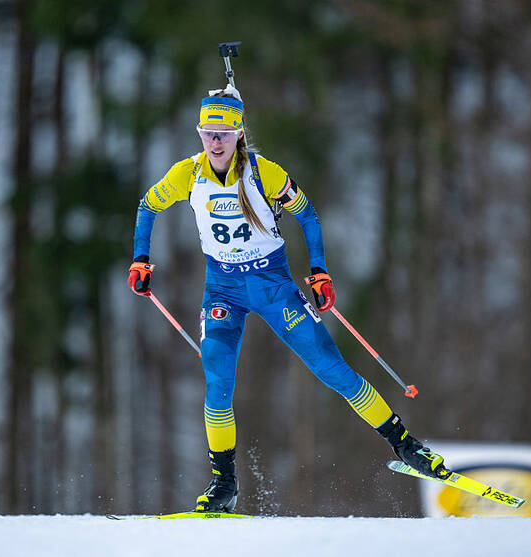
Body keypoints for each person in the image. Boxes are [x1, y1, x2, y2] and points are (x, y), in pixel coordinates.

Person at [128, 85, 448, 513]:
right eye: (208, 133)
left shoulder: (264, 172)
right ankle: (224, 484)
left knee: (332, 369)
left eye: (224, 133)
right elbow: (147, 207)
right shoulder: (187, 174)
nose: (216, 141)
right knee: (218, 383)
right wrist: (141, 260)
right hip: (222, 290)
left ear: (240, 133)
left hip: (273, 287)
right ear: (200, 134)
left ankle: (407, 447)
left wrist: (319, 270)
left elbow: (307, 214)